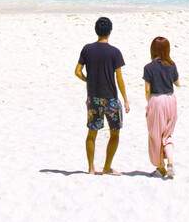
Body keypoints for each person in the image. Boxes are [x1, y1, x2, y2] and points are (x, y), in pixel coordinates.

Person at [73, 16, 129, 175]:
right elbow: (119, 78)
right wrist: (125, 99)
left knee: (92, 133)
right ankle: (106, 167)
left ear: (96, 30)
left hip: (93, 98)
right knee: (115, 132)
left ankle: (91, 168)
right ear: (110, 31)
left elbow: (77, 72)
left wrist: (87, 80)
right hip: (111, 98)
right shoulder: (115, 52)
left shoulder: (87, 49)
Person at [142, 35, 180, 179]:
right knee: (167, 135)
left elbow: (147, 90)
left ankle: (160, 168)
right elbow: (177, 83)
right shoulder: (171, 64)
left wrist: (149, 102)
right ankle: (170, 162)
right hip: (171, 100)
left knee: (155, 136)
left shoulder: (148, 68)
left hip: (157, 101)